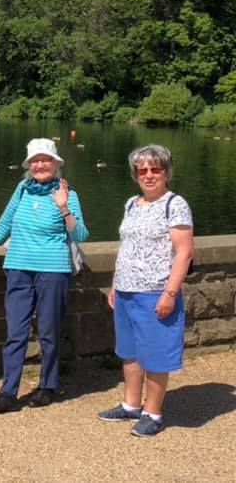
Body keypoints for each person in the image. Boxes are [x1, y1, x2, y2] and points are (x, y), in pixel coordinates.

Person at [0, 138, 88, 414]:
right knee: (16, 332)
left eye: (45, 159)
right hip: (19, 267)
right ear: (28, 165)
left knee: (48, 332)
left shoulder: (67, 193)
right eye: (35, 160)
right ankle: (8, 392)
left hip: (53, 270)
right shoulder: (22, 189)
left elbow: (80, 234)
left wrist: (63, 207)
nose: (40, 164)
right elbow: (6, 220)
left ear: (56, 163)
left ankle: (47, 386)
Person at [98, 145, 193, 437]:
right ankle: (130, 405)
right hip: (127, 290)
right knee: (130, 352)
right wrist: (116, 283)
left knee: (155, 354)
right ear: (135, 174)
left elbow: (184, 253)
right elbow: (127, 248)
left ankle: (153, 413)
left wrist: (170, 293)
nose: (149, 175)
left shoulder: (174, 204)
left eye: (156, 169)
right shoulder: (131, 203)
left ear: (166, 172)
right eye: (143, 170)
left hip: (155, 291)